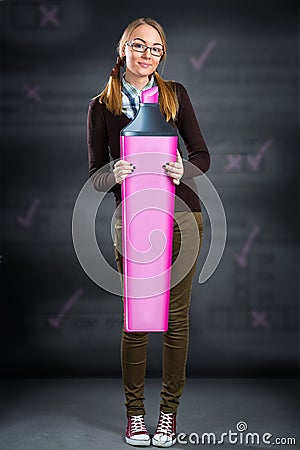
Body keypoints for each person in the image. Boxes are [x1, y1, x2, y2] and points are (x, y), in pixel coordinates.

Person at [87, 17, 210, 448]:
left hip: (181, 218)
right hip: (135, 220)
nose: (148, 55)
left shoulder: (175, 95)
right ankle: (135, 416)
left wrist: (185, 169)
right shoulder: (101, 105)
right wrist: (112, 173)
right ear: (123, 49)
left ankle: (168, 417)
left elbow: (202, 153)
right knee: (137, 322)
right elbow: (94, 176)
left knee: (176, 322)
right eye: (140, 46)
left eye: (156, 49)